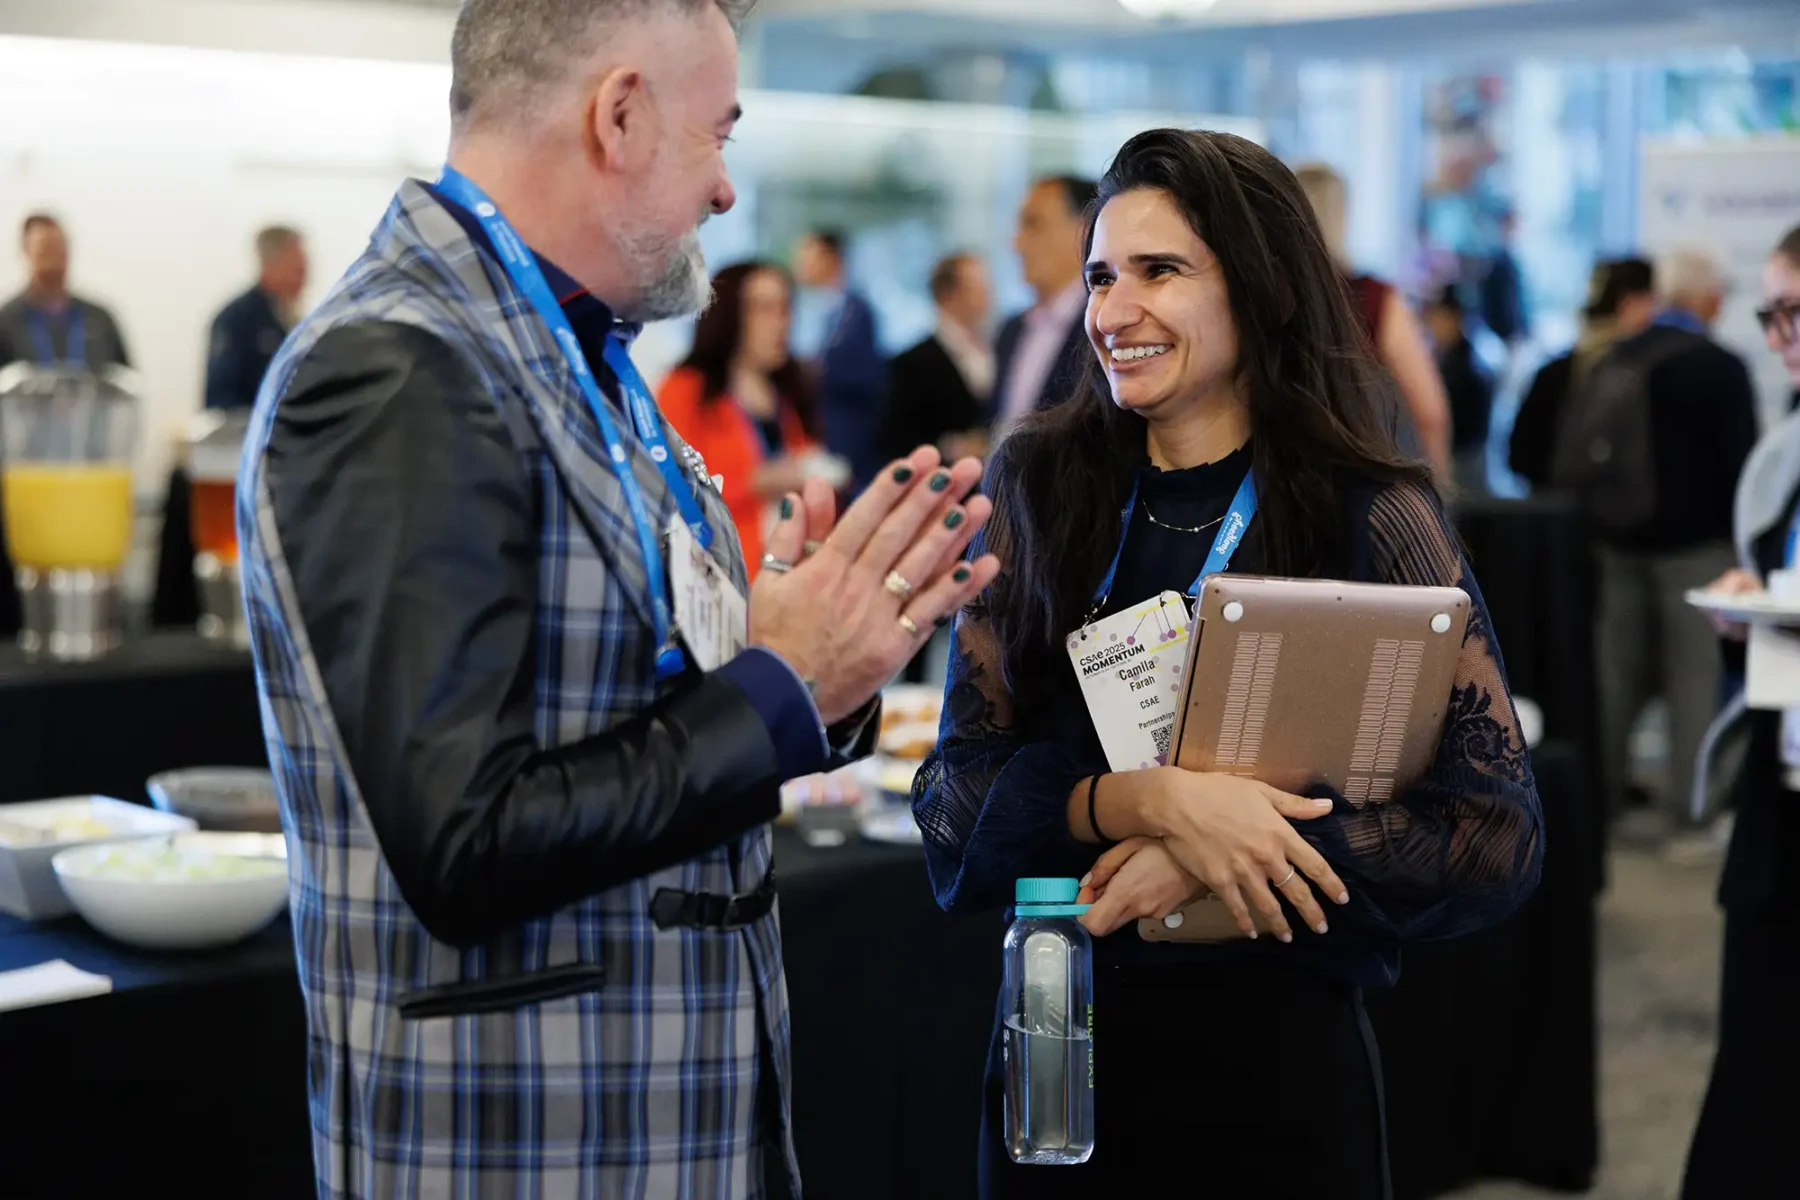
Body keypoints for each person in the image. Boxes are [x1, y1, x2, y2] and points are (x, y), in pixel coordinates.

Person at [234, 1, 1000, 1196]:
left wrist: (815, 655)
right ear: (621, 114)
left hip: (658, 1123)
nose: (726, 194)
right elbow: (466, 840)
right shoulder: (400, 366)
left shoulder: (574, 356)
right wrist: (776, 685)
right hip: (525, 1145)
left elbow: (628, 699)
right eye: (719, 138)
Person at [913, 128, 1543, 1198]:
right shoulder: (1041, 489)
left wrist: (1220, 853)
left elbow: (1493, 838)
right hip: (1064, 1045)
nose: (1115, 313)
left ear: (1260, 286)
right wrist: (1140, 802)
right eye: (1103, 275)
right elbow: (950, 808)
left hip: (1282, 1074)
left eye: (1161, 272)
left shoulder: (1367, 511)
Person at [1684, 223, 1800, 1198]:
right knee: (1761, 1062)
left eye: (1793, 310)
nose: (1778, 334)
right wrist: (1748, 607)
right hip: (1781, 796)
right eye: (1769, 312)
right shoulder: (1786, 452)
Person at [1585, 247, 1756, 841]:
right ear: (1707, 298)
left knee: (1615, 678)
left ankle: (1600, 806)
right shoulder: (1721, 367)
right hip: (1697, 552)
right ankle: (1691, 814)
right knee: (1693, 682)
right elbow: (1743, 471)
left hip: (1618, 544)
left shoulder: (1619, 357)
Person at [658, 261, 826, 575]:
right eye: (762, 308)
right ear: (729, 314)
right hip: (716, 570)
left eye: (785, 308)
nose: (780, 323)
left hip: (786, 567)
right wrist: (755, 481)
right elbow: (667, 487)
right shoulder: (686, 389)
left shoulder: (788, 390)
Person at [1294, 163, 1452, 477]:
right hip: (1360, 476)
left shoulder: (1264, 297)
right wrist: (1438, 492)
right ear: (1342, 216)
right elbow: (1430, 412)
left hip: (1276, 477)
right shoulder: (1374, 298)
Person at [1509, 256, 1656, 487]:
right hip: (1604, 510)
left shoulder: (1558, 371)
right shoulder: (1639, 372)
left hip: (1562, 505)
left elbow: (1520, 456)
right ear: (1631, 303)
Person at [992, 176, 1097, 437]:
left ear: (1083, 232)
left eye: (1033, 224)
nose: (1017, 244)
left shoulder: (1105, 326)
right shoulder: (1011, 330)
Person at [882, 251, 994, 466]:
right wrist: (950, 447)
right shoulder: (911, 363)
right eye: (976, 286)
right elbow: (895, 439)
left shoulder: (998, 345)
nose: (987, 294)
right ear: (947, 294)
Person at [794, 228, 884, 490]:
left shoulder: (856, 313)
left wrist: (816, 370)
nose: (801, 265)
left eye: (808, 257)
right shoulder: (806, 307)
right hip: (811, 441)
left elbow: (869, 375)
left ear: (830, 258)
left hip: (847, 443)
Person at [0, 214, 130, 371]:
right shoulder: (6, 322)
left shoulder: (99, 319)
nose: (54, 259)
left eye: (59, 247)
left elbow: (127, 383)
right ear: (26, 251)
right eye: (45, 249)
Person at [204, 225, 309, 410]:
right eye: (297, 268)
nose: (304, 277)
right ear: (271, 263)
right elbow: (221, 399)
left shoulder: (296, 320)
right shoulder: (236, 319)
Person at [1423, 282, 1494, 488]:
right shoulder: (1449, 360)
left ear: (1454, 318)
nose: (1432, 324)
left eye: (1437, 316)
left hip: (1463, 465)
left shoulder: (1469, 369)